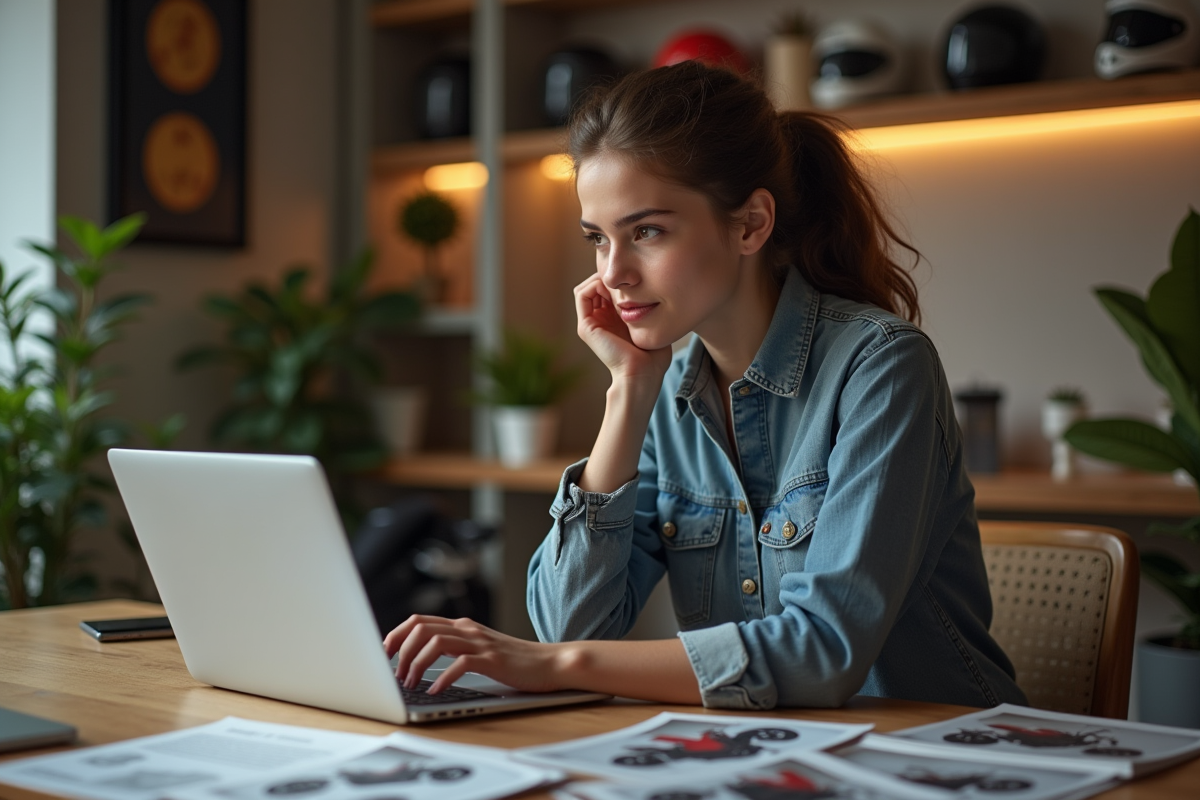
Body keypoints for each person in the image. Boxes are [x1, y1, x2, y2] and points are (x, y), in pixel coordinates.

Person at [384, 60, 1026, 710]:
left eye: (647, 232)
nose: (614, 274)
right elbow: (571, 625)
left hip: (933, 753)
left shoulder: (883, 366)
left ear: (750, 224)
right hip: (762, 755)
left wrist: (559, 663)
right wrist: (628, 395)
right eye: (597, 239)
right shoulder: (666, 395)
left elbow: (822, 652)